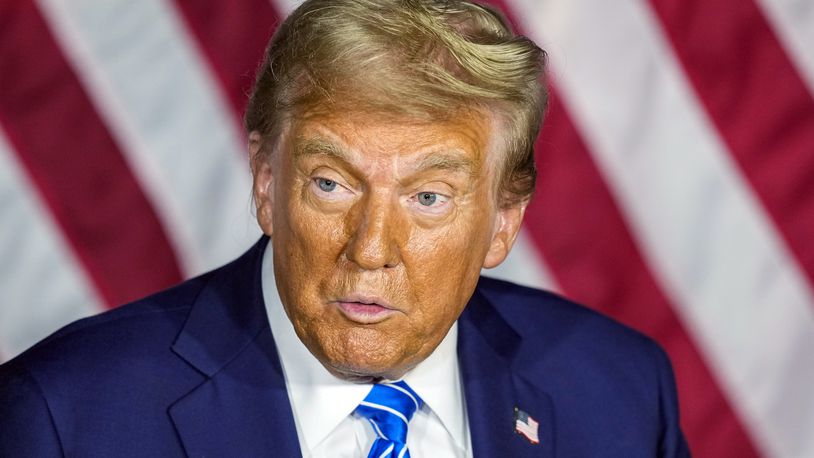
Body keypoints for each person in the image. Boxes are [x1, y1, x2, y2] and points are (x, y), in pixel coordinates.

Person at [0, 0, 690, 456]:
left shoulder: (618, 394)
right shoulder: (67, 418)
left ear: (503, 222)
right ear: (267, 184)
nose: (370, 249)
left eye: (428, 197)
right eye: (331, 184)